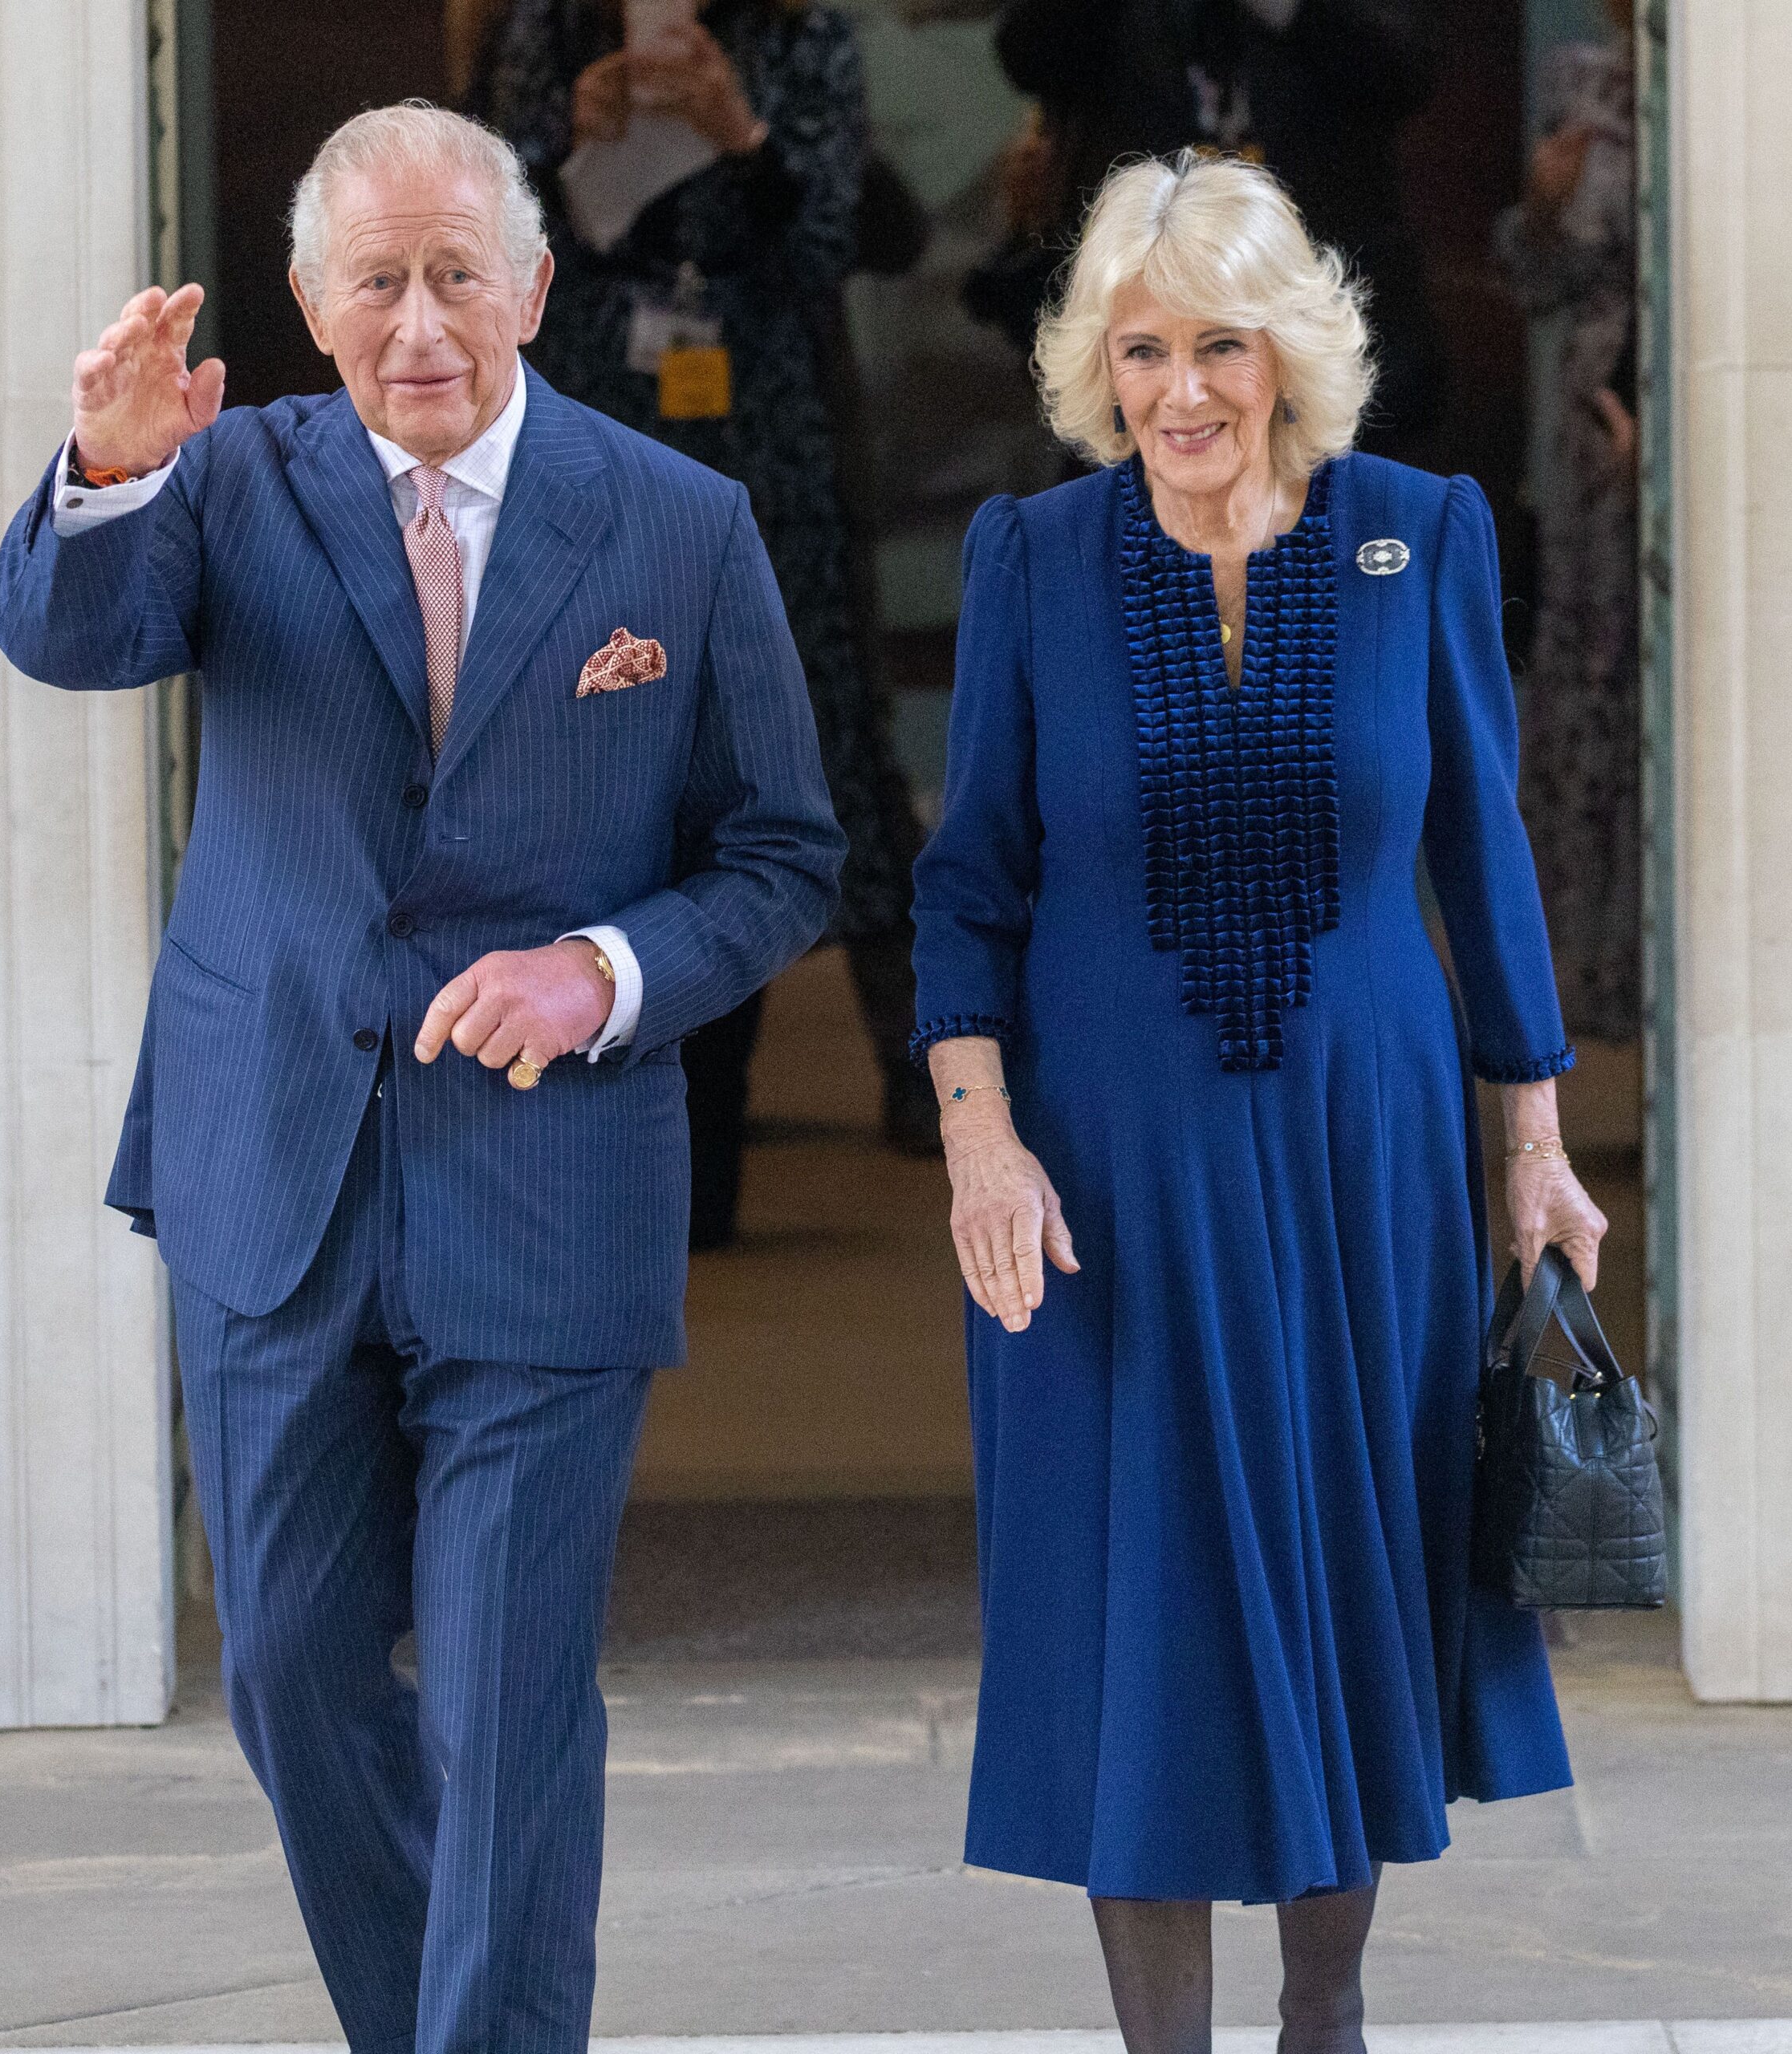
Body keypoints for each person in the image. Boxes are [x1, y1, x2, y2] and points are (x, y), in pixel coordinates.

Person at [0, 103, 841, 2054]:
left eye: (459, 273)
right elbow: (64, 636)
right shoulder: (224, 480)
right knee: (290, 1672)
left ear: (533, 286)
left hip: (546, 1198)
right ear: (309, 304)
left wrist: (599, 971)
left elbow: (782, 854)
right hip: (270, 1168)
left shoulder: (677, 522)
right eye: (376, 281)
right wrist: (108, 468)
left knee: (509, 1701)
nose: (422, 322)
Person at [912, 152, 1606, 2052]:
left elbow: (1479, 854)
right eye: (1140, 350)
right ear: (1098, 366)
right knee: (1133, 1603)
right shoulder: (1031, 561)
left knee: (1337, 1568)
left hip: (1360, 1165)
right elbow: (966, 883)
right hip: (1098, 1177)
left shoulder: (1417, 531)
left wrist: (1532, 1147)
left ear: (1287, 350)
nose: (1180, 390)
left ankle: (1324, 2019)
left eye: (1218, 344)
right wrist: (977, 1135)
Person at [477, 0, 938, 1247]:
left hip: (761, 396)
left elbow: (831, 238)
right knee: (594, 716)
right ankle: (569, 1053)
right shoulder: (550, 26)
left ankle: (918, 1059)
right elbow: (479, 240)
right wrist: (557, 137)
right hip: (597, 383)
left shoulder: (801, 34)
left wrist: (741, 135)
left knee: (818, 726)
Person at [975, 0, 1445, 455]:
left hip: (1323, 298)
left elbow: (1408, 68)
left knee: (1337, 474)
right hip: (1140, 295)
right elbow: (1026, 54)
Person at [1495, 0, 1640, 1043]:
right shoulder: (1581, 88)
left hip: (1707, 421)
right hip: (1593, 446)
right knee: (1586, 692)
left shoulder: (1740, 79)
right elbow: (1535, 283)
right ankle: (1581, 983)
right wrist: (1540, 212)